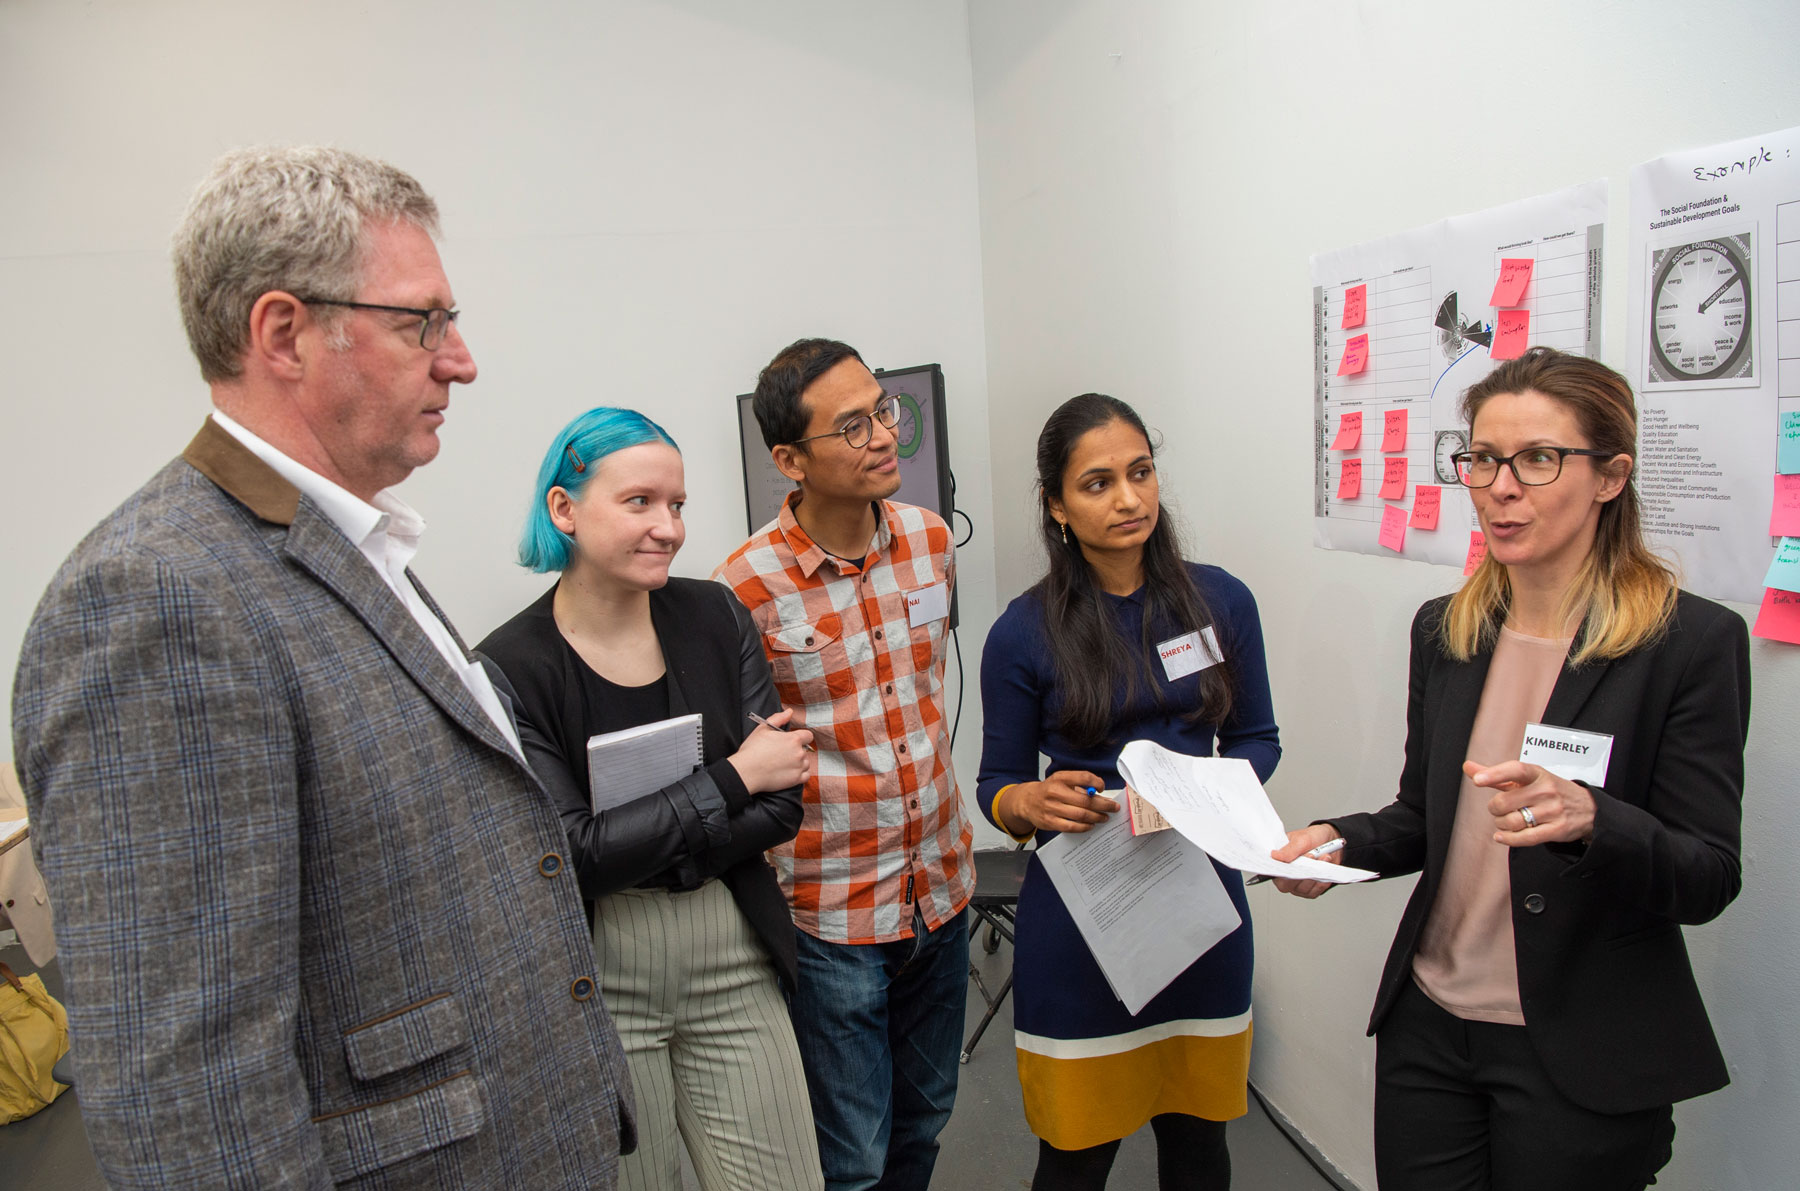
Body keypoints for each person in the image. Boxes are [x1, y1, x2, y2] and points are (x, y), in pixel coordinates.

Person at [10, 146, 633, 1188]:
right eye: (422, 322)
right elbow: (187, 1101)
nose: (461, 358)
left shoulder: (352, 546)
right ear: (284, 333)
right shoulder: (154, 600)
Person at [1272, 347, 1750, 1191]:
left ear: (1611, 476)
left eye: (1537, 459)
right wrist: (1339, 842)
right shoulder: (1446, 630)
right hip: (1431, 1027)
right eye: (1483, 458)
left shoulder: (1689, 645)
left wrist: (1594, 820)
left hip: (1580, 1043)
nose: (1499, 486)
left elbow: (1707, 875)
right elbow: (1426, 815)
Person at [475, 408, 824, 1191]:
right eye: (640, 502)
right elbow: (570, 858)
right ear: (564, 509)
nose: (668, 527)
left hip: (733, 947)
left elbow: (783, 806)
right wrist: (732, 778)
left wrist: (644, 831)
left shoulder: (714, 614)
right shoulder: (508, 667)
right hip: (601, 973)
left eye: (677, 505)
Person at [976, 394, 1280, 1191]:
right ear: (1057, 505)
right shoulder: (1022, 631)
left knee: (1199, 1148)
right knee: (1075, 1156)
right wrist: (1030, 805)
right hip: (1085, 917)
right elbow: (996, 785)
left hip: (1201, 903)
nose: (1129, 498)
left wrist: (1202, 798)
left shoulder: (1221, 601)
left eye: (1141, 472)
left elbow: (1257, 740)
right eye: (1098, 482)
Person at [713, 338, 974, 1191]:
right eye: (852, 424)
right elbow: (746, 751)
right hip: (832, 909)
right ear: (789, 458)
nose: (882, 437)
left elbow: (923, 689)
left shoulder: (931, 542)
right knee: (852, 1156)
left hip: (940, 884)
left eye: (884, 411)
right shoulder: (744, 585)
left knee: (926, 1123)